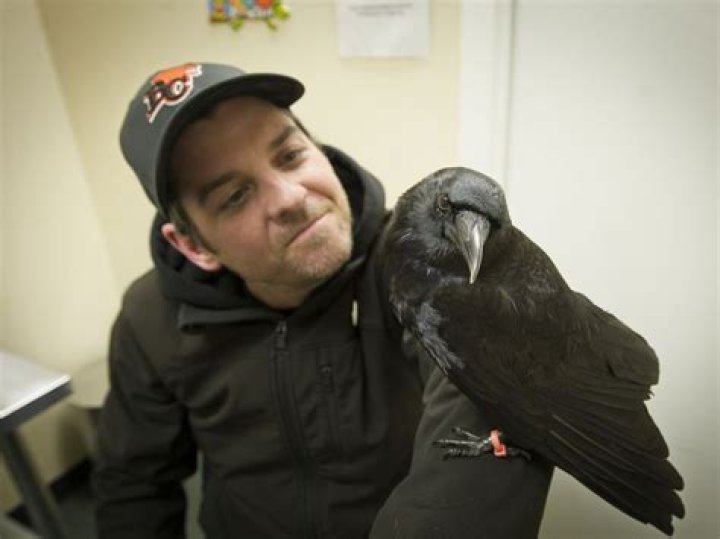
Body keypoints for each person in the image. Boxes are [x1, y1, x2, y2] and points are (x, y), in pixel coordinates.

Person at [94, 62, 553, 539]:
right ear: (193, 246)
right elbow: (134, 485)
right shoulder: (149, 318)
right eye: (234, 196)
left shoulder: (421, 264)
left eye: (291, 155)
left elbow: (494, 420)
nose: (291, 198)